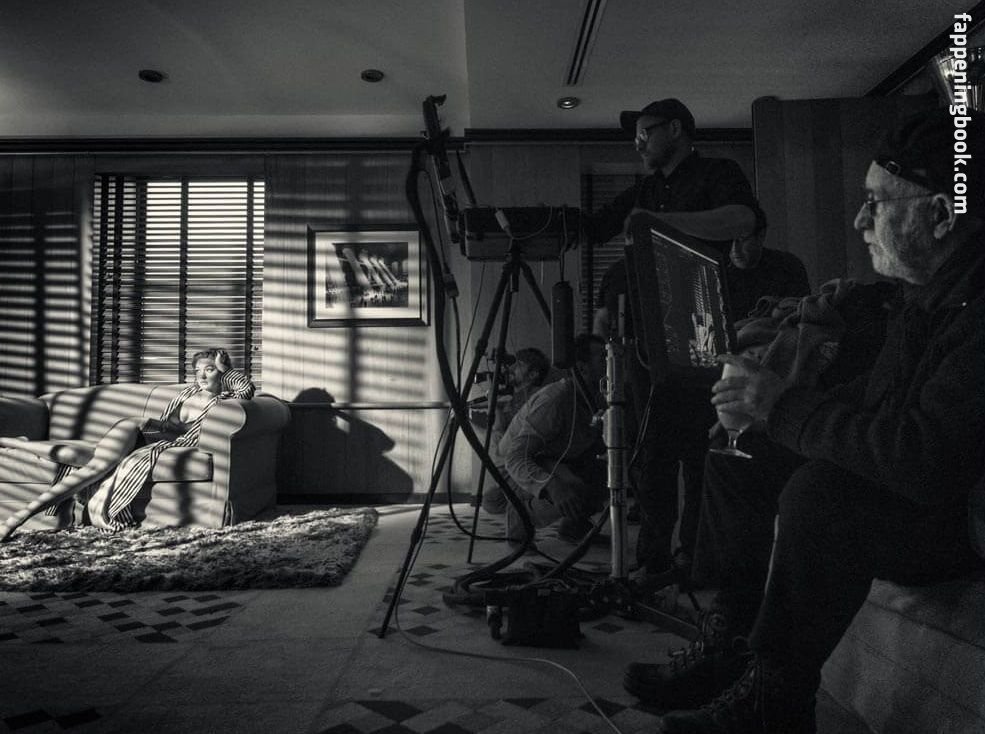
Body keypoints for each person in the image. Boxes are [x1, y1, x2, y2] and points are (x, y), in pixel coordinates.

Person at [643, 107, 985, 734]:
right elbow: (876, 397)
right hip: (923, 488)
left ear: (940, 214)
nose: (860, 220)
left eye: (876, 203)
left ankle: (775, 702)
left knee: (822, 495)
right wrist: (764, 416)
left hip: (953, 518)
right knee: (741, 457)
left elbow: (923, 458)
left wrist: (784, 406)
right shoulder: (926, 294)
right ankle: (729, 648)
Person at [586, 97, 768, 584]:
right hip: (648, 341)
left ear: (675, 129)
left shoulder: (717, 172)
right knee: (652, 452)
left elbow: (743, 219)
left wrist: (660, 225)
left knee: (701, 449)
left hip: (704, 329)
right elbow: (602, 229)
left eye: (645, 132)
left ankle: (696, 559)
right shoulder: (646, 189)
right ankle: (653, 560)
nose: (638, 143)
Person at [0, 348, 255, 541]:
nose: (201, 375)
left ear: (222, 373)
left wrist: (225, 368)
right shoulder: (188, 393)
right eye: (197, 370)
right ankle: (18, 518)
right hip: (134, 429)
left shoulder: (224, 401)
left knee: (73, 455)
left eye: (209, 369)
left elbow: (247, 390)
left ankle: (15, 442)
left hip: (149, 442)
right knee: (94, 469)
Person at [498, 334, 607, 547]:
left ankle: (574, 527)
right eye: (603, 357)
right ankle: (520, 515)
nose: (612, 361)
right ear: (582, 367)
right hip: (513, 470)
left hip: (553, 458)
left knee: (605, 474)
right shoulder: (554, 400)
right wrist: (553, 486)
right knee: (572, 486)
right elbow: (515, 457)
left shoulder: (598, 397)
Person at [478, 346, 551, 515]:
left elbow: (503, 440)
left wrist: (494, 403)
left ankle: (529, 497)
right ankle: (523, 497)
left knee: (493, 501)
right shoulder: (515, 398)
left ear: (533, 375)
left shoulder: (535, 398)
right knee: (490, 501)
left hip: (524, 462)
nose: (512, 369)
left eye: (520, 365)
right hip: (511, 466)